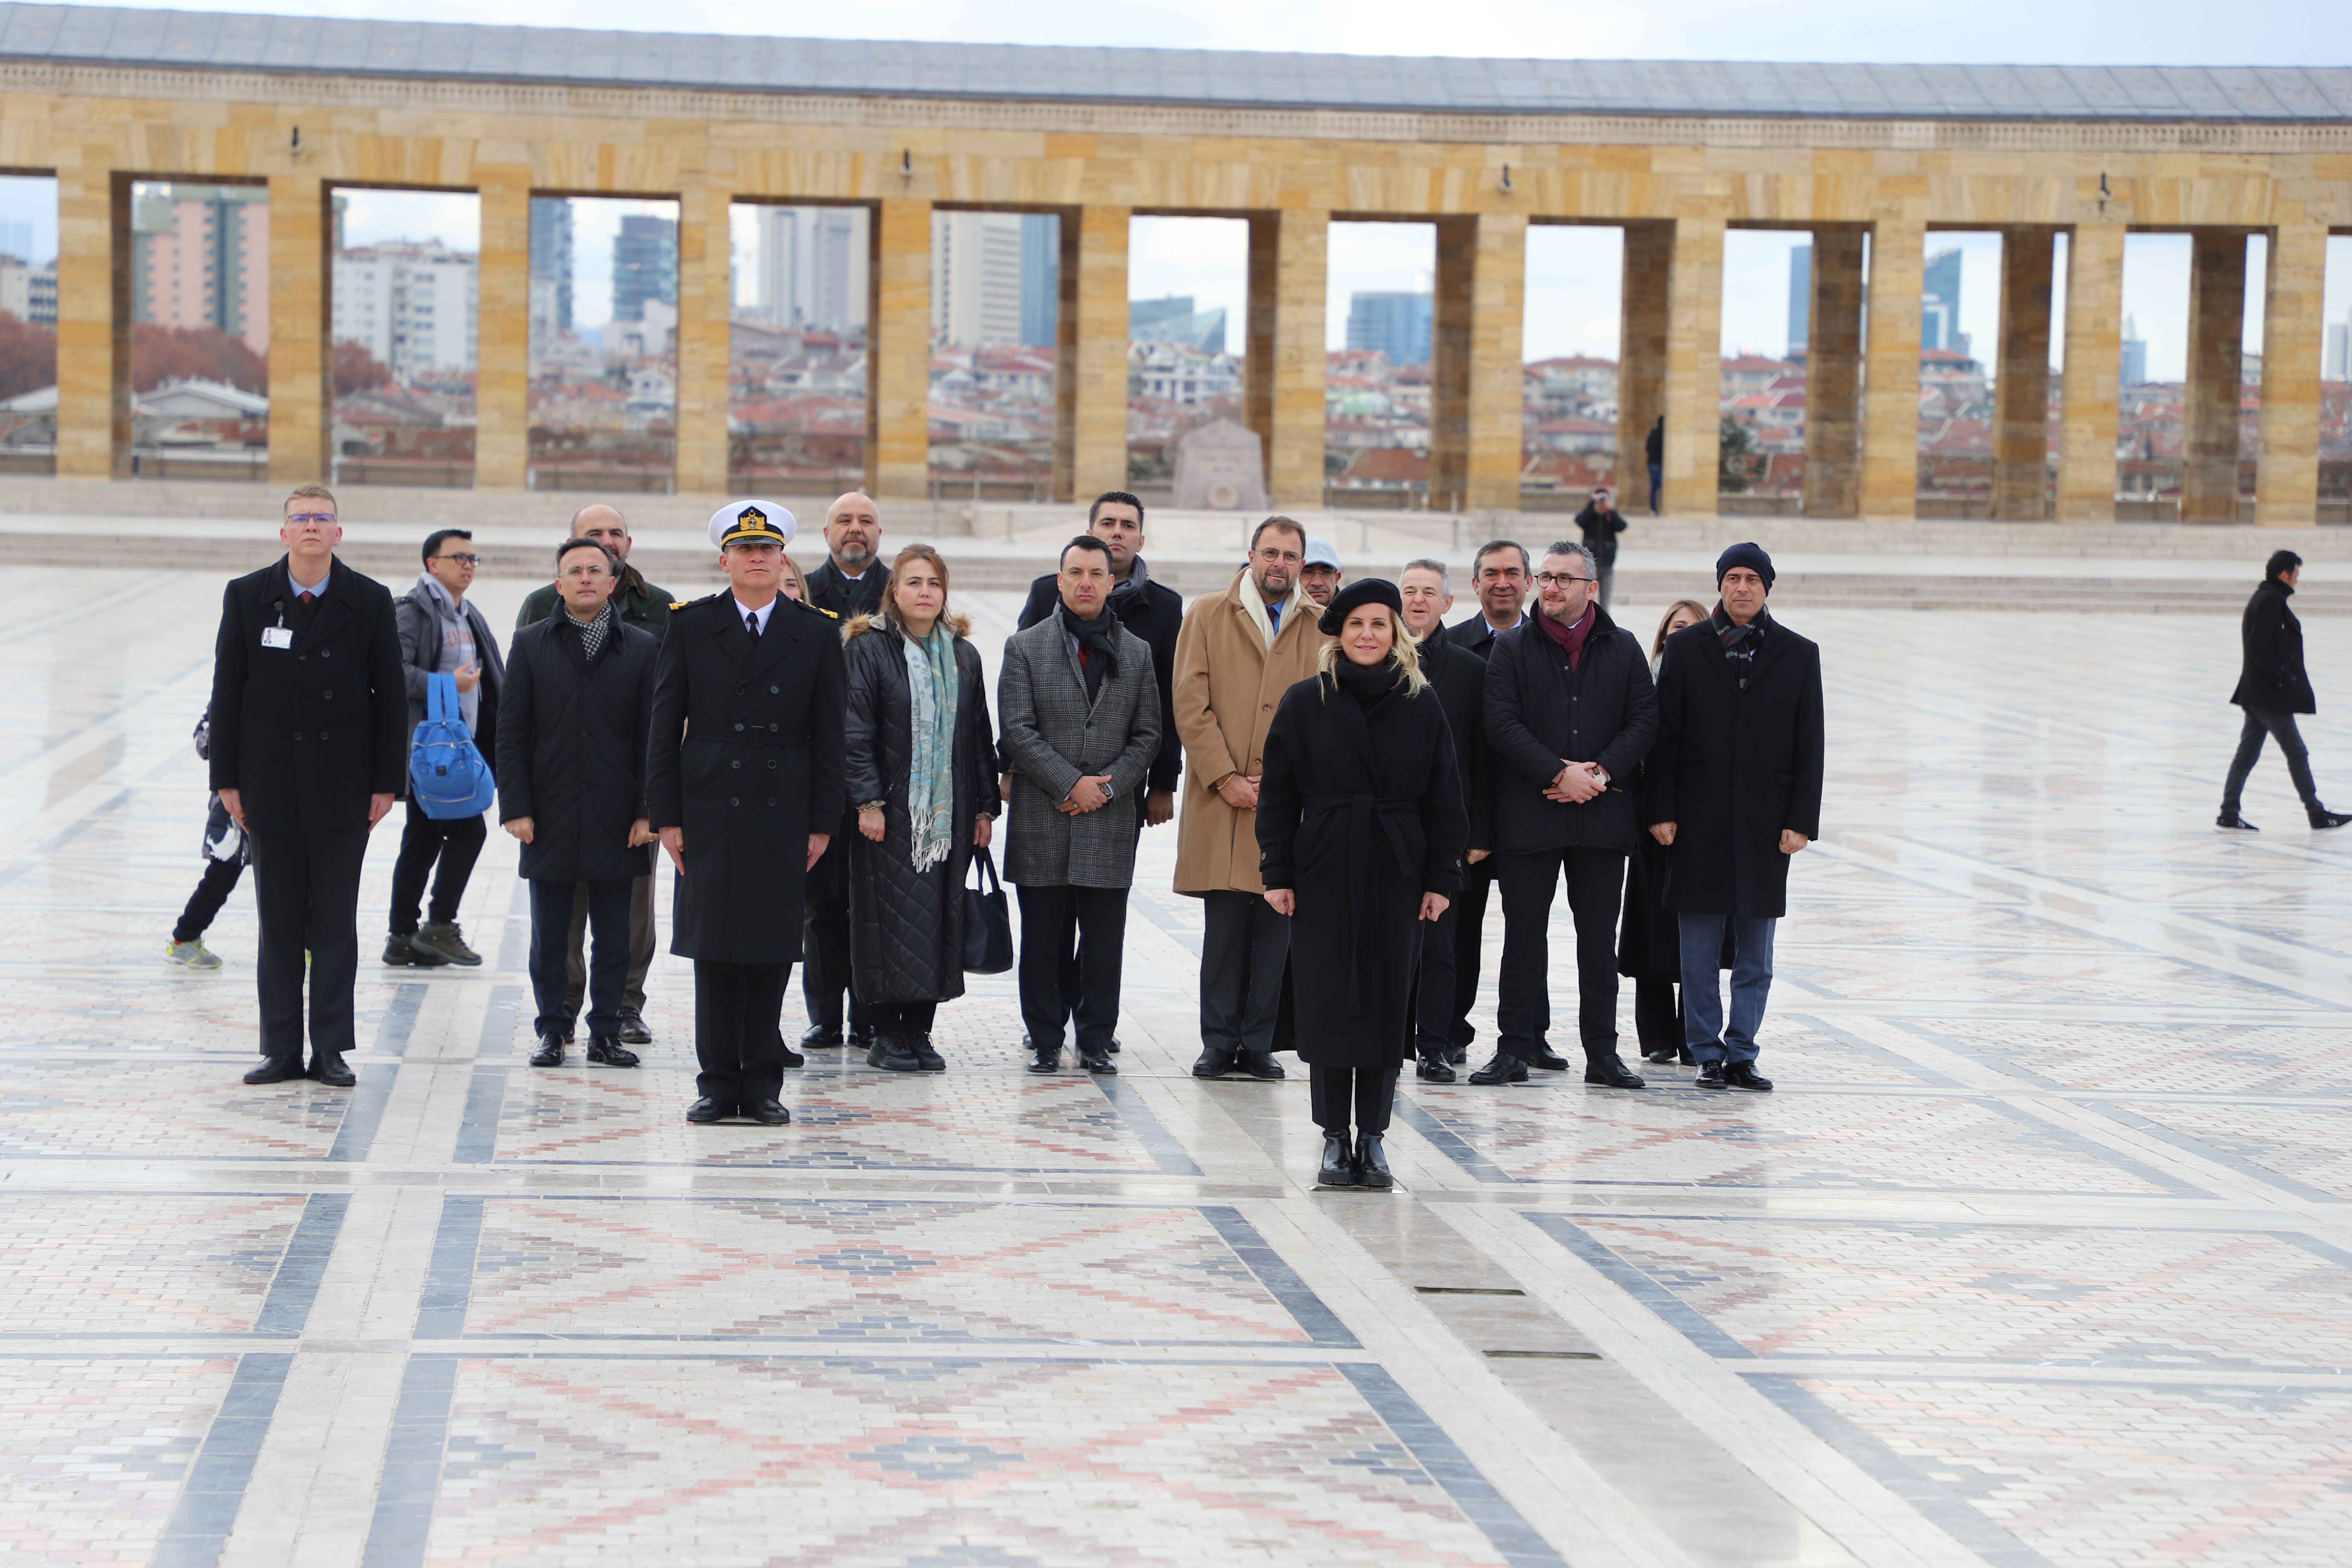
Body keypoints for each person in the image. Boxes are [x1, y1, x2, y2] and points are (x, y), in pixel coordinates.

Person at [1258, 579, 1467, 1190]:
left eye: (1379, 624)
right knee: (1327, 1000)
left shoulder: (1421, 701)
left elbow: (1445, 798)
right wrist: (1277, 872)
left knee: (1382, 1000)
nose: (1368, 635)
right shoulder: (1305, 702)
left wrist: (1440, 877)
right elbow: (1278, 796)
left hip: (1396, 867)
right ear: (1340, 635)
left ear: (1396, 633)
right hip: (1324, 863)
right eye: (1356, 625)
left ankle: (1373, 1137)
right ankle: (1332, 1138)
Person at [647, 501, 845, 1126]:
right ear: (725, 559)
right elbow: (663, 724)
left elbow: (831, 735)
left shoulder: (814, 631)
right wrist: (666, 817)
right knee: (714, 948)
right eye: (744, 549)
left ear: (783, 557)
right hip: (709, 800)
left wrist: (822, 821)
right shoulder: (690, 624)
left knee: (769, 947)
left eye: (767, 550)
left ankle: (761, 1085)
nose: (757, 558)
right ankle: (716, 1083)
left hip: (781, 802)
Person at [210, 484, 405, 1087]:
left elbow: (391, 697)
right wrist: (227, 781)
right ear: (284, 532)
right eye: (301, 519)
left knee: (334, 925)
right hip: (268, 787)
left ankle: (330, 1049)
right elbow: (227, 693)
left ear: (338, 533)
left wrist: (386, 783)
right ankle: (280, 1048)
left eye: (323, 518)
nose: (312, 527)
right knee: (279, 923)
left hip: (344, 790)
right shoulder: (247, 597)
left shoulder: (368, 601)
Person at [1474, 541, 1657, 1089]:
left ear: (1591, 589)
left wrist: (1598, 774)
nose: (1551, 588)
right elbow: (1501, 724)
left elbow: (1644, 720)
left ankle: (1602, 1053)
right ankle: (1513, 1049)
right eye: (1546, 578)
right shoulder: (1512, 649)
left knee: (1598, 942)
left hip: (1602, 819)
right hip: (1532, 816)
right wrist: (1558, 773)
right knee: (1523, 937)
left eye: (1564, 580)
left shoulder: (1622, 648)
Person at [1645, 544, 1825, 1091]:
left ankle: (1743, 1050)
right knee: (1697, 948)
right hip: (1697, 819)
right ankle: (1706, 1052)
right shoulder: (1686, 648)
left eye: (1752, 579)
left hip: (1767, 823)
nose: (1742, 588)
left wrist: (1802, 821)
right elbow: (1666, 738)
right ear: (1719, 585)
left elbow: (1809, 744)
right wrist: (1662, 810)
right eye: (1732, 578)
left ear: (1767, 588)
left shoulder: (1799, 653)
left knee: (1756, 951)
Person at [1011, 491, 1184, 1054]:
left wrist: (1106, 787)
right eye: (1075, 573)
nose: (1086, 583)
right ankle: (1044, 1036)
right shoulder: (1025, 648)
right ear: (1059, 581)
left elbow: (1149, 732)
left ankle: (1095, 1037)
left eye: (1096, 574)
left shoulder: (1136, 652)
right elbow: (1018, 726)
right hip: (1045, 810)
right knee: (1044, 937)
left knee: (1104, 938)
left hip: (1109, 814)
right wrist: (1068, 783)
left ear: (1111, 583)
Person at [1171, 516, 1328, 1081]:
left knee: (1275, 924)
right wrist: (1225, 776)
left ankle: (1258, 1041)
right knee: (1226, 927)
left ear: (1302, 564)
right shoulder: (1210, 613)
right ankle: (1218, 1041)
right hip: (1222, 798)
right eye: (1271, 553)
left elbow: (1327, 715)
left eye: (1291, 556)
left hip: (1290, 805)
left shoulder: (1321, 624)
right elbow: (1190, 702)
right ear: (1252, 556)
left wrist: (1285, 785)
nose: (1279, 565)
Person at [514, 504, 675, 1048]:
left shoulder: (642, 646)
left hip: (618, 813)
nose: (586, 578)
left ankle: (608, 1028)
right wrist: (517, 806)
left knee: (615, 933)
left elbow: (654, 735)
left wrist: (649, 810)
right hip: (550, 810)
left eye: (596, 571)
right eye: (575, 570)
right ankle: (553, 1029)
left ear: (614, 582)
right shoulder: (532, 641)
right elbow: (512, 731)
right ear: (559, 584)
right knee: (552, 935)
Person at [840, 545, 1000, 1072]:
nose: (924, 592)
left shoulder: (963, 655)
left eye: (933, 583)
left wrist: (983, 810)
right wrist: (867, 801)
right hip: (889, 815)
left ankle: (922, 1033)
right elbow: (855, 732)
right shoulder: (868, 649)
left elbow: (978, 738)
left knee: (939, 922)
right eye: (913, 582)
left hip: (946, 817)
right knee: (886, 922)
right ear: (894, 591)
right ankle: (886, 1034)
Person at [1430, 540, 1532, 1064]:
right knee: (1460, 933)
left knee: (1528, 932)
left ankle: (1527, 1036)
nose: (1502, 582)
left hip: (1532, 814)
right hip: (1469, 821)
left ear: (1529, 582)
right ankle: (1448, 1029)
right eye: (1491, 573)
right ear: (1474, 585)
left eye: (1512, 572)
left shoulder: (1549, 646)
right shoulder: (1455, 649)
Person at [386, 528, 505, 968]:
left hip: (460, 750)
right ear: (432, 563)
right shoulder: (413, 612)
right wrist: (445, 684)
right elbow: (392, 672)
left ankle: (403, 936)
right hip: (427, 753)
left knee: (422, 837)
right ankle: (435, 925)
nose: (468, 565)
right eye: (459, 557)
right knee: (464, 832)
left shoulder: (466, 614)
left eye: (474, 558)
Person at [801, 490, 891, 1054]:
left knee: (876, 903)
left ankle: (872, 1014)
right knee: (823, 905)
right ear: (826, 531)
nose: (855, 530)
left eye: (866, 521)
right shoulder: (805, 592)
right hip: (820, 773)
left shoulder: (901, 589)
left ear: (880, 533)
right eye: (844, 521)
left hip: (883, 779)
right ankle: (824, 1016)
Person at [1398, 560, 1491, 1083]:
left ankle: (1434, 1044)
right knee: (1387, 946)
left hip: (1446, 834)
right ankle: (1388, 1041)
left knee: (1441, 947)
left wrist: (1479, 831)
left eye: (1428, 592)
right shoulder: (1374, 662)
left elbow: (1482, 760)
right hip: (1387, 828)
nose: (1418, 600)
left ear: (1448, 603)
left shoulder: (1471, 670)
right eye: (1409, 591)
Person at [1623, 599, 1710, 1064]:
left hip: (1702, 827)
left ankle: (1695, 1031)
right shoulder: (1644, 681)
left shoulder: (1714, 683)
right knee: (1651, 931)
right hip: (1650, 821)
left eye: (1693, 629)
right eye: (1676, 628)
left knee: (1698, 935)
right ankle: (1655, 1034)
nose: (1682, 637)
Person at [2220, 550, 2350, 832]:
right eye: (2296, 575)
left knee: (2247, 754)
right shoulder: (2269, 601)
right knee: (2297, 751)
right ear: (2284, 575)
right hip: (2267, 696)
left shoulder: (2268, 598)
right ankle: (2317, 814)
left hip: (2257, 693)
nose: (2297, 581)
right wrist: (2282, 676)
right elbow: (2259, 646)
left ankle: (2228, 814)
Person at [164, 704, 245, 969]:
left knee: (291, 877)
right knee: (220, 878)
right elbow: (204, 743)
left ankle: (307, 945)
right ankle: (183, 939)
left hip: (263, 802)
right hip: (233, 810)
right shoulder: (230, 693)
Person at [1574, 487, 1628, 612]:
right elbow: (1580, 521)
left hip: (1607, 564)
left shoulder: (1610, 516)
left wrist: (1611, 510)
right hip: (1590, 565)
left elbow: (1622, 526)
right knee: (1587, 601)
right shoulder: (1590, 515)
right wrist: (1591, 505)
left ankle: (1604, 627)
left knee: (1605, 604)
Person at [1300, 537, 1344, 607]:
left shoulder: (1353, 616)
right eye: (1307, 572)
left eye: (1326, 572)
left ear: (1337, 578)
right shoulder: (1280, 616)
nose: (1317, 583)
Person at [1645, 417, 1664, 516]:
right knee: (1663, 488)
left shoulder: (1653, 433)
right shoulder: (1665, 435)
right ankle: (1663, 509)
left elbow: (1647, 448)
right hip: (1661, 464)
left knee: (1654, 488)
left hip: (1652, 463)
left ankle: (1654, 509)